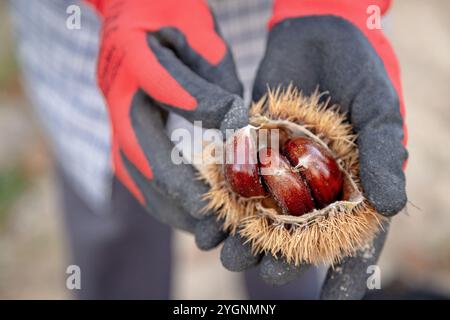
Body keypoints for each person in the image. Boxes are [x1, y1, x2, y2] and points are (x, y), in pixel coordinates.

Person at [10, 0, 407, 299]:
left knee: (286, 265)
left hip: (293, 49)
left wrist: (331, 5)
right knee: (119, 222)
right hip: (105, 32)